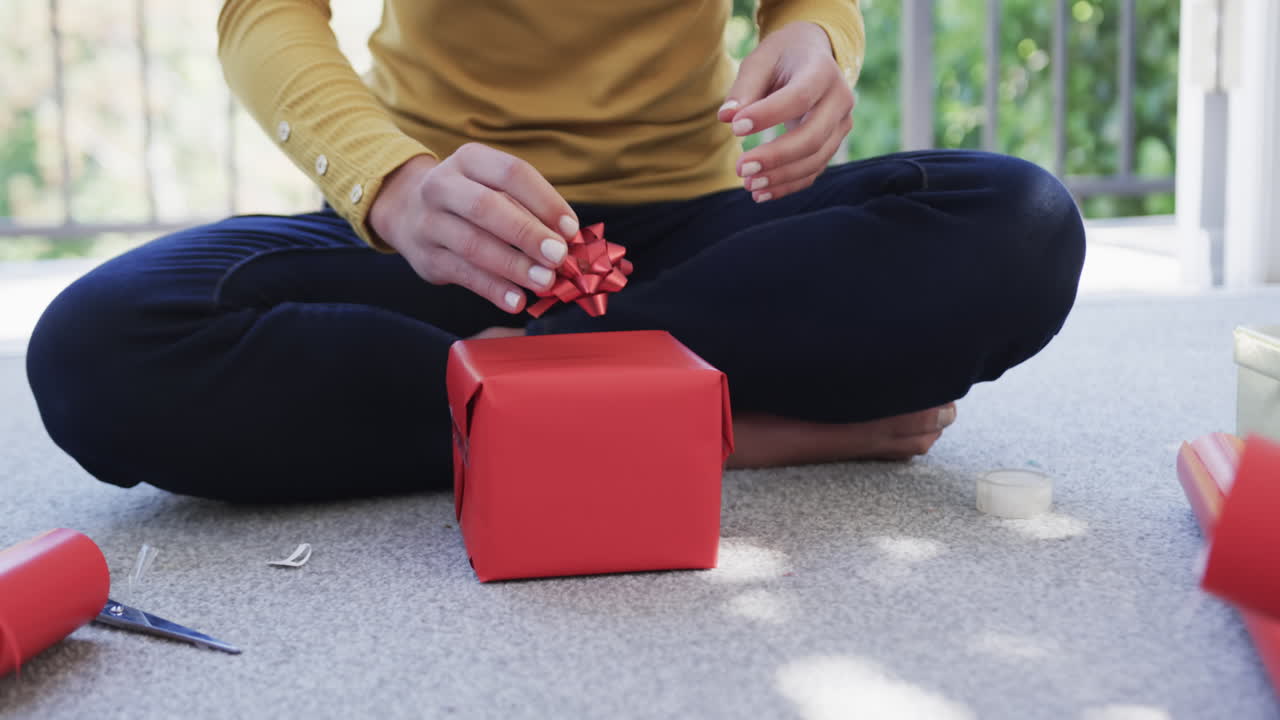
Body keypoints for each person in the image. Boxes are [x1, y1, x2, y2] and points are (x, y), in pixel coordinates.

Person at [26, 0, 1085, 503]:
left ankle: (525, 404)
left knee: (1019, 223)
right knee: (95, 351)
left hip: (704, 245)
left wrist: (816, 36)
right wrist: (393, 188)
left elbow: (805, 3)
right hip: (446, 239)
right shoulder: (415, 208)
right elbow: (265, 13)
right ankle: (720, 429)